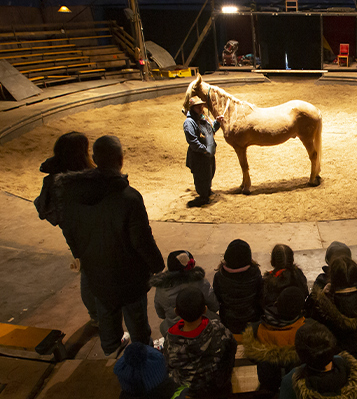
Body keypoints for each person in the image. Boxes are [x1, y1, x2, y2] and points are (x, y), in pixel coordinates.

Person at [57, 135, 165, 355]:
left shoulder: (71, 192)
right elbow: (141, 240)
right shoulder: (129, 198)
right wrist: (157, 264)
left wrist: (82, 255)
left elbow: (68, 229)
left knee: (105, 311)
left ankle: (111, 349)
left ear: (95, 158)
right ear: (121, 159)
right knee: (135, 315)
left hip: (96, 270)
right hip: (129, 274)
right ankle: (143, 351)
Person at [34, 131, 97, 324]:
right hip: (91, 231)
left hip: (72, 234)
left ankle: (95, 315)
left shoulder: (52, 179)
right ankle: (100, 314)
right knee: (94, 272)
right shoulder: (84, 179)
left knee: (87, 269)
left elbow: (43, 208)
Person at [164, 288, 237, 399]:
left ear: (176, 312)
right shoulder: (217, 329)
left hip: (187, 388)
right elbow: (232, 346)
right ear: (205, 310)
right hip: (217, 383)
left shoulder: (171, 339)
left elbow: (169, 364)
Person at [308, 256, 357, 365]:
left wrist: (321, 295)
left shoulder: (322, 304)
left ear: (333, 278)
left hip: (335, 362)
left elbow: (311, 323)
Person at [242, 286, 307, 392]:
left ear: (277, 303)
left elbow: (252, 357)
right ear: (300, 309)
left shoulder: (256, 329)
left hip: (267, 383)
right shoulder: (307, 330)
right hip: (296, 384)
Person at [150, 250, 219, 348]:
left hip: (173, 329)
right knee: (216, 320)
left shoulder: (161, 288)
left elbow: (160, 314)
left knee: (164, 325)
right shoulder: (200, 282)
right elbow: (214, 305)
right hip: (202, 327)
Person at [212, 239, 264, 335]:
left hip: (228, 321)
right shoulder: (255, 273)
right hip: (252, 320)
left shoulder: (219, 276)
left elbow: (217, 298)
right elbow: (260, 295)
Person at [184, 96, 219, 207]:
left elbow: (211, 130)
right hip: (199, 155)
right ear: (192, 108)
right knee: (201, 175)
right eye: (197, 106)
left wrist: (217, 122)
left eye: (201, 105)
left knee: (209, 172)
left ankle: (207, 191)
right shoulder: (189, 122)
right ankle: (203, 197)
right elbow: (193, 141)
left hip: (208, 152)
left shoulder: (203, 118)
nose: (200, 108)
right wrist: (205, 150)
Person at [261, 244, 308, 319]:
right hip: (298, 318)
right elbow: (305, 293)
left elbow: (264, 303)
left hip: (274, 320)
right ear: (292, 260)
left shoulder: (267, 281)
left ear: (272, 261)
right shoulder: (298, 275)